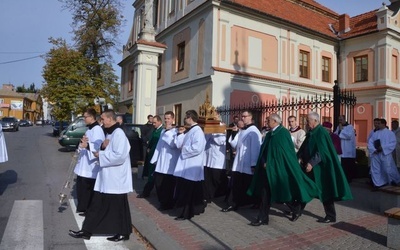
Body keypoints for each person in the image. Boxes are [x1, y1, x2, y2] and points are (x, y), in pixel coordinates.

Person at [69, 109, 133, 242]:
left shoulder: (119, 134)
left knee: (119, 207)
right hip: (107, 176)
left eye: (103, 119)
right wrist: (98, 149)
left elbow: (120, 156)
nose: (101, 122)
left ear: (110, 119)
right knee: (96, 204)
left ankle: (123, 232)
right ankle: (87, 231)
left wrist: (101, 154)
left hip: (116, 179)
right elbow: (106, 150)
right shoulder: (111, 133)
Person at [247, 114, 319, 226]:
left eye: (268, 120)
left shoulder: (283, 133)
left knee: (281, 191)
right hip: (268, 169)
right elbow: (264, 150)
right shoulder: (270, 134)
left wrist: (271, 163)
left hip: (278, 169)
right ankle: (263, 218)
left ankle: (295, 208)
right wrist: (263, 161)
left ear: (275, 121)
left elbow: (285, 153)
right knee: (265, 193)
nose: (266, 122)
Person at [297, 112, 352, 223]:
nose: (307, 123)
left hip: (320, 168)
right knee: (305, 187)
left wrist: (311, 163)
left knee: (325, 190)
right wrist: (299, 156)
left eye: (308, 120)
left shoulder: (321, 132)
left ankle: (331, 216)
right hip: (309, 166)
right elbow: (305, 146)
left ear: (315, 121)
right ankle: (297, 210)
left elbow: (321, 151)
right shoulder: (312, 132)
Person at [222, 110, 262, 212]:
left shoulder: (254, 131)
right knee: (237, 184)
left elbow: (255, 149)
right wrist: (235, 133)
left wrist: (253, 164)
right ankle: (234, 203)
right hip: (239, 162)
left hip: (247, 163)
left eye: (244, 116)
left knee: (248, 185)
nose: (242, 118)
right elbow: (234, 145)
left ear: (250, 117)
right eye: (242, 116)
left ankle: (254, 202)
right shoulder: (242, 130)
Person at [173, 110, 206, 220]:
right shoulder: (190, 130)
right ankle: (186, 211)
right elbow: (179, 144)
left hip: (192, 165)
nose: (185, 120)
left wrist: (184, 149)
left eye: (186, 118)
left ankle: (186, 213)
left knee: (188, 192)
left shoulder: (198, 131)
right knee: (186, 191)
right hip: (187, 165)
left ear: (190, 118)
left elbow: (197, 148)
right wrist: (180, 134)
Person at [73, 108, 105, 216]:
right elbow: (85, 143)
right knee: (81, 187)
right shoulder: (89, 129)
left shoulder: (97, 130)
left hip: (91, 166)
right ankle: (83, 207)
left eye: (85, 117)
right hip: (84, 163)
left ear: (92, 117)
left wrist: (87, 146)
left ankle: (89, 209)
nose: (84, 119)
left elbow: (98, 147)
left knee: (88, 188)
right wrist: (81, 146)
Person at [150, 111, 180, 210]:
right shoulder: (163, 131)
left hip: (170, 164)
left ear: (173, 119)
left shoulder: (176, 131)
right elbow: (159, 146)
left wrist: (168, 132)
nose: (167, 120)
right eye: (165, 118)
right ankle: (162, 201)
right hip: (161, 162)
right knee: (158, 183)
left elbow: (173, 145)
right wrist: (155, 159)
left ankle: (167, 203)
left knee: (168, 186)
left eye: (168, 118)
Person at [368, 118, 400, 190]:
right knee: (375, 169)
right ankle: (377, 184)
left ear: (383, 124)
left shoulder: (390, 133)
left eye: (379, 123)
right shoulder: (375, 133)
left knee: (387, 169)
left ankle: (392, 180)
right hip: (376, 154)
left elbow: (393, 143)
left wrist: (383, 148)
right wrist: (373, 149)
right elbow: (370, 142)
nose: (377, 125)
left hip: (385, 154)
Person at [203, 115, 227, 203]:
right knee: (208, 179)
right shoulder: (209, 127)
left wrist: (213, 131)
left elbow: (220, 141)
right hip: (208, 157)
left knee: (216, 178)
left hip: (217, 158)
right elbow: (205, 140)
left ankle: (220, 194)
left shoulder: (222, 127)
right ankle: (207, 196)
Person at [137, 115, 163, 198]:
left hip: (157, 156)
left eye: (155, 122)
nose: (153, 124)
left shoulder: (162, 131)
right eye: (152, 123)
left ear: (159, 122)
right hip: (151, 155)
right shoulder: (155, 130)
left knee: (153, 176)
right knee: (151, 175)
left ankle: (147, 192)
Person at [334, 115, 356, 183]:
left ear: (344, 119)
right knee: (342, 165)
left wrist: (341, 130)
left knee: (348, 166)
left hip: (348, 150)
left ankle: (348, 179)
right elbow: (335, 135)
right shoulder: (338, 127)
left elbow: (349, 136)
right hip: (341, 149)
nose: (340, 121)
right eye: (339, 120)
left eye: (341, 119)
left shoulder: (350, 127)